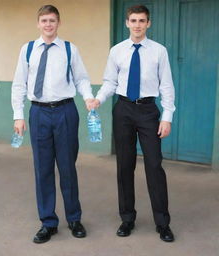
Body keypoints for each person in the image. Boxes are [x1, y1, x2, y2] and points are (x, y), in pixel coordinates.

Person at [91, 5, 175, 242]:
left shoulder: (159, 51)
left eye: (142, 21)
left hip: (148, 110)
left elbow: (166, 85)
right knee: (124, 166)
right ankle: (127, 219)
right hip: (124, 109)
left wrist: (166, 117)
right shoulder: (117, 51)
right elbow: (109, 81)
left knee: (154, 166)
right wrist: (99, 98)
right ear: (127, 23)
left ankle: (163, 223)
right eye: (133, 20)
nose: (137, 25)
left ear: (148, 23)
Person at [11, 5, 94, 243]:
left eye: (53, 21)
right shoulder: (27, 50)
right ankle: (48, 222)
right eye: (44, 20)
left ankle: (74, 219)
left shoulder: (70, 49)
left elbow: (81, 78)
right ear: (38, 23)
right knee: (43, 169)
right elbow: (19, 84)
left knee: (68, 167)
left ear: (59, 23)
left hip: (65, 111)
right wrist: (18, 115)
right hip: (38, 113)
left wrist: (88, 97)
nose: (48, 25)